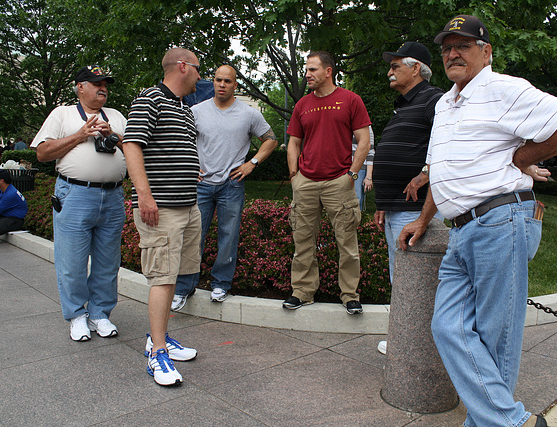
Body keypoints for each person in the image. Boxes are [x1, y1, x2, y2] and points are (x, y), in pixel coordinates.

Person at [399, 15, 557, 427]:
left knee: (494, 336)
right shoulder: (445, 104)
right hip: (461, 229)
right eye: (448, 46)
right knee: (448, 327)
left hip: (501, 219)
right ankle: (512, 423)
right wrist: (423, 218)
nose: (453, 52)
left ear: (485, 53)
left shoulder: (503, 88)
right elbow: (442, 171)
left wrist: (524, 158)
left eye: (463, 45)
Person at [122, 48, 201, 386]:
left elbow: (169, 147)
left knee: (176, 273)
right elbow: (131, 144)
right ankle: (157, 353)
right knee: (162, 277)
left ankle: (162, 336)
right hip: (162, 208)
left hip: (187, 205)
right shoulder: (149, 99)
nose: (201, 76)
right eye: (198, 69)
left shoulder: (184, 108)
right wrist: (144, 194)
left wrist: (190, 167)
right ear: (182, 67)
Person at [32, 65, 127, 343]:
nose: (103, 89)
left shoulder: (118, 117)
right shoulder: (62, 114)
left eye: (106, 84)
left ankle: (100, 314)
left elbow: (135, 151)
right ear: (80, 87)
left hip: (112, 196)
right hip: (74, 195)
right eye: (96, 83)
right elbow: (42, 153)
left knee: (108, 261)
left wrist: (114, 135)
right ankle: (76, 315)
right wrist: (81, 134)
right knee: (71, 260)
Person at [172, 65, 278, 309]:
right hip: (200, 185)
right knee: (192, 238)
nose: (222, 84)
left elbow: (271, 140)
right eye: (218, 80)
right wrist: (189, 164)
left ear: (235, 85)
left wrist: (252, 163)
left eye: (227, 81)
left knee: (228, 237)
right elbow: (180, 139)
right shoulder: (196, 111)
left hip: (232, 183)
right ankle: (183, 288)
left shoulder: (248, 114)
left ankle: (221, 284)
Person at [284, 51, 371, 314]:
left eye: (312, 69)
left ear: (328, 71)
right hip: (306, 182)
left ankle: (349, 294)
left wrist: (352, 175)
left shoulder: (350, 100)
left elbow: (364, 141)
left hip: (339, 182)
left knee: (347, 243)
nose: (307, 75)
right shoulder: (302, 105)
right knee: (302, 241)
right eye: (307, 70)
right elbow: (293, 143)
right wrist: (294, 176)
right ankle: (302, 291)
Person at [373, 41, 445, 356]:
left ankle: (417, 346)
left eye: (396, 65)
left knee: (416, 282)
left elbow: (446, 140)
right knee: (401, 277)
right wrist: (382, 204)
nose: (390, 71)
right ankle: (408, 339)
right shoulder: (403, 104)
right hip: (396, 208)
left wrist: (426, 172)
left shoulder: (435, 99)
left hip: (416, 210)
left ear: (416, 68)